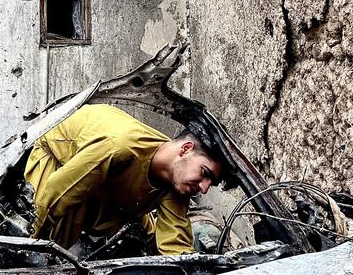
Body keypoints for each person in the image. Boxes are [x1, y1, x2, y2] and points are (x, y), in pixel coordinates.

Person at [24, 104, 225, 255]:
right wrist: (27, 248)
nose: (204, 188)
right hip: (59, 159)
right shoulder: (119, 147)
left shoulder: (176, 182)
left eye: (211, 182)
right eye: (205, 173)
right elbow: (56, 194)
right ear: (185, 149)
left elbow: (175, 245)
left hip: (112, 188)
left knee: (142, 241)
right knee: (51, 246)